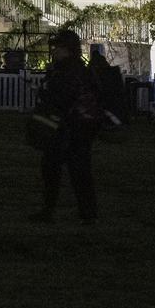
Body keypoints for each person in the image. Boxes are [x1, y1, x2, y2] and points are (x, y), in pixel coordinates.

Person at [32, 28, 98, 224]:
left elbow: (61, 98)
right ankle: (86, 212)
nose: (54, 51)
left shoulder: (67, 71)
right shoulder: (79, 69)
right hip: (77, 128)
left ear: (67, 49)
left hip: (68, 127)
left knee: (60, 170)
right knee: (76, 171)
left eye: (57, 48)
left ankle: (54, 210)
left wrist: (45, 94)